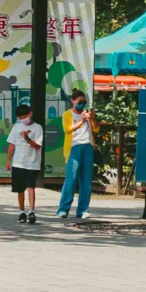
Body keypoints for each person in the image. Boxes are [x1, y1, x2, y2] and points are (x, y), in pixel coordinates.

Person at [56, 90, 96, 222]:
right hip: (74, 147)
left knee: (86, 181)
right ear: (73, 101)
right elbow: (67, 130)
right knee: (71, 179)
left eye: (84, 102)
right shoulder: (68, 114)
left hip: (88, 146)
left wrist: (93, 118)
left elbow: (96, 129)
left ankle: (83, 210)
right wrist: (82, 121)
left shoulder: (87, 114)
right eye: (79, 102)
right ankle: (63, 209)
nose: (81, 104)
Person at [5, 103, 45, 226]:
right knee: (19, 189)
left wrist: (27, 138)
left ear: (30, 113)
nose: (23, 119)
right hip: (18, 163)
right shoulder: (16, 127)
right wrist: (8, 160)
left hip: (32, 163)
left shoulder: (38, 128)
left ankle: (31, 211)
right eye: (20, 117)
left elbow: (38, 145)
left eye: (25, 116)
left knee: (31, 187)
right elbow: (12, 144)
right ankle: (22, 212)